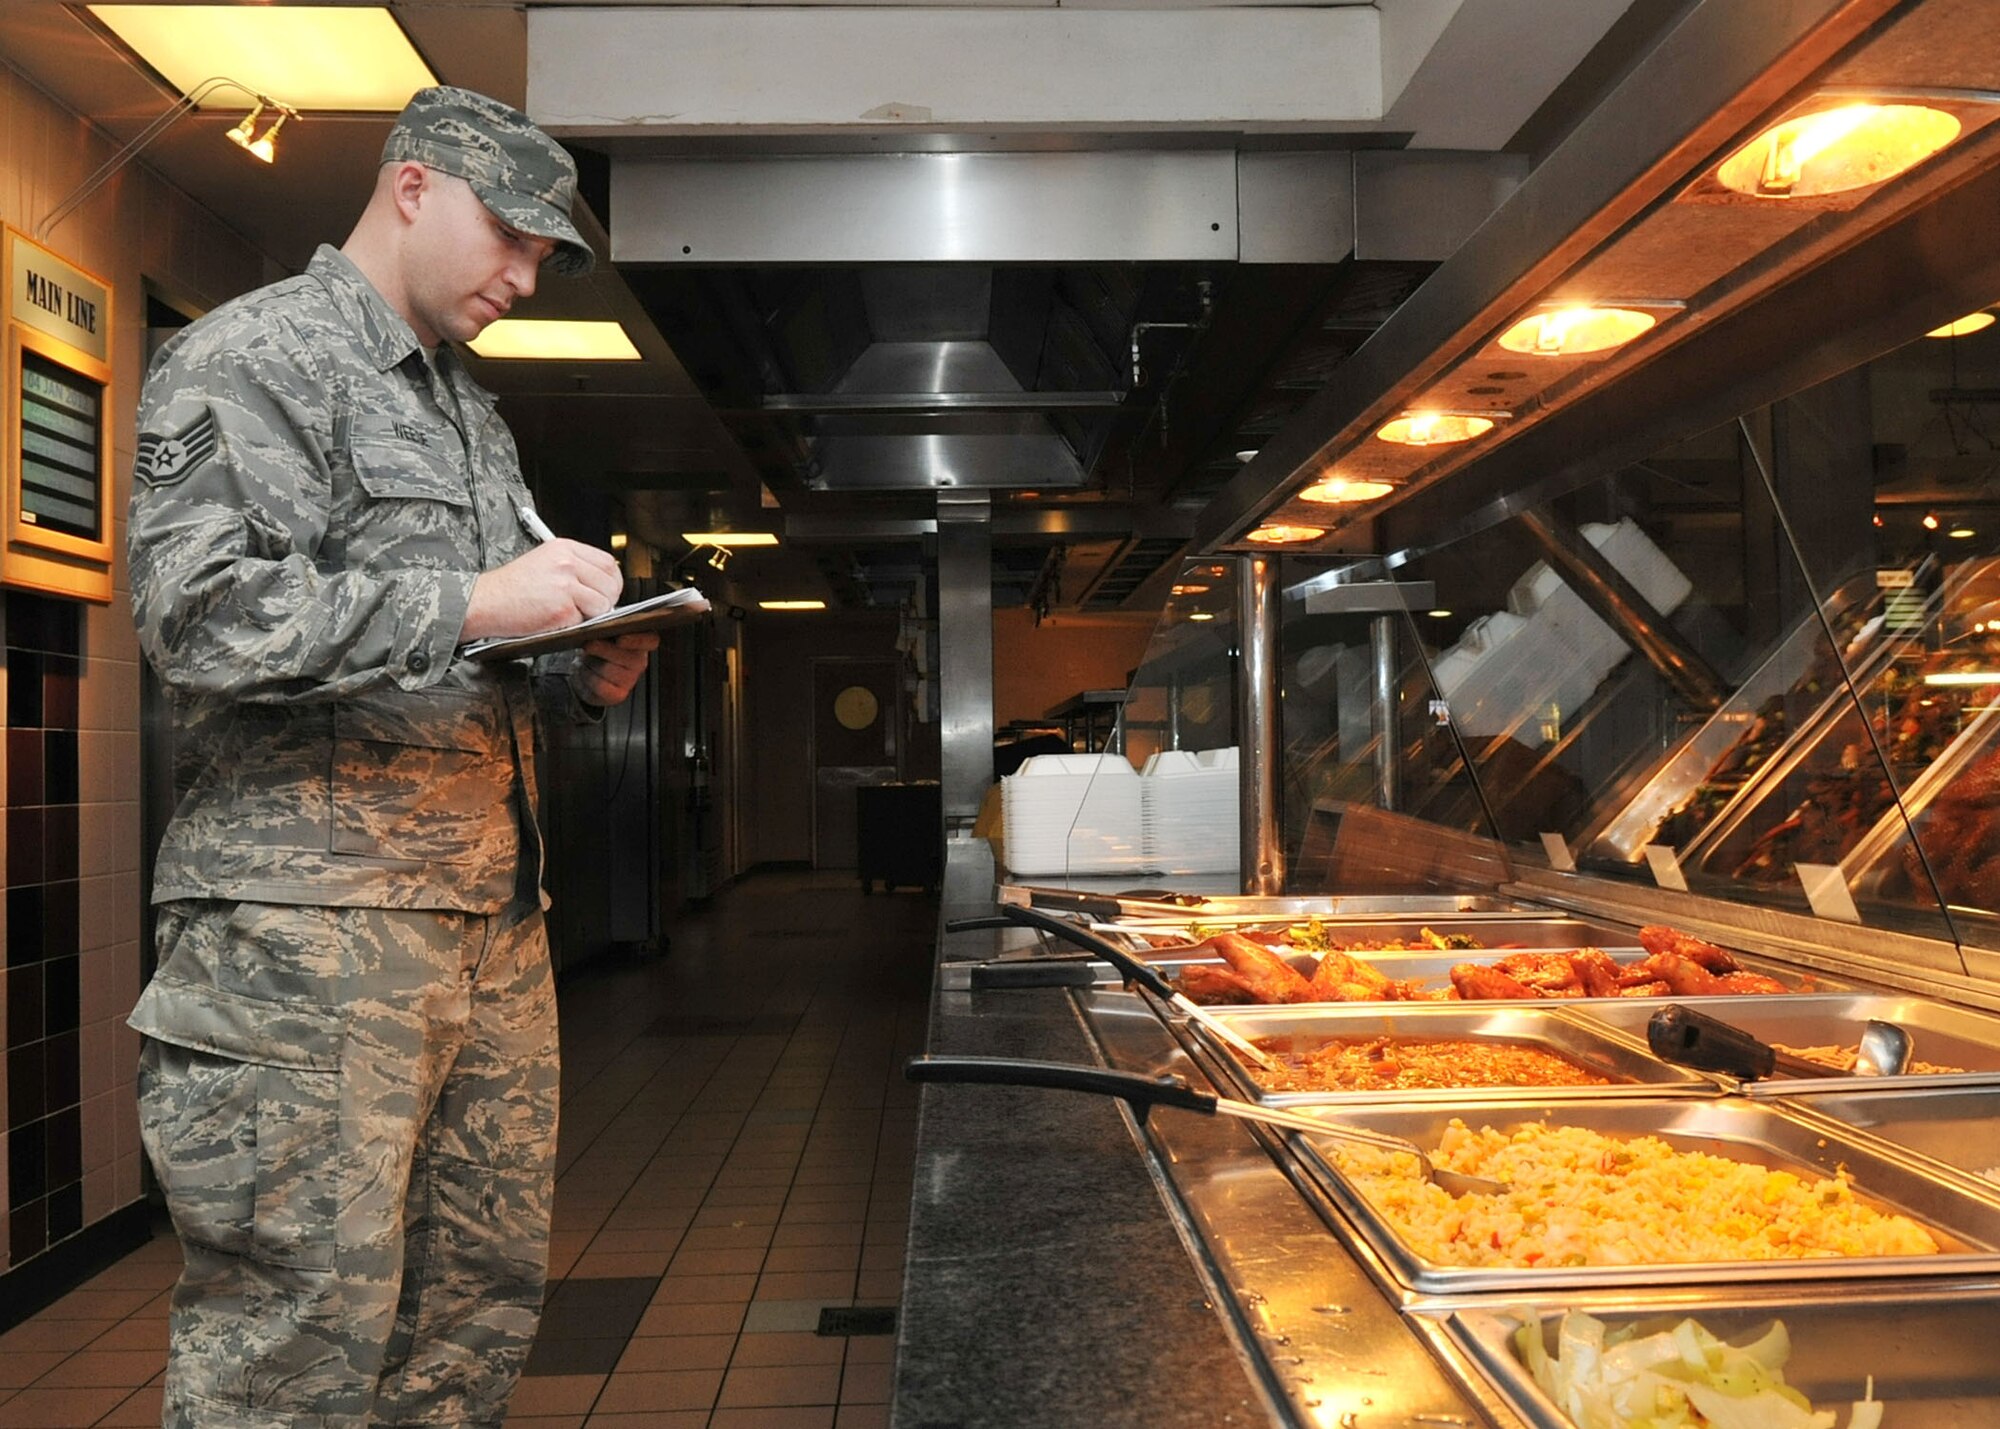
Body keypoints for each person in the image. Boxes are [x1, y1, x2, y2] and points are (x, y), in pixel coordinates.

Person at [125, 86, 655, 1428]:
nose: (526, 278)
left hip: (484, 930)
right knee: (292, 1349)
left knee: (464, 1322)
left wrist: (582, 668)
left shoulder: (472, 415)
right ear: (412, 185)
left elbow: (436, 666)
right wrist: (483, 601)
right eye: (514, 238)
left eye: (549, 256)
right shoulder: (255, 359)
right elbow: (194, 616)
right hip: (308, 945)